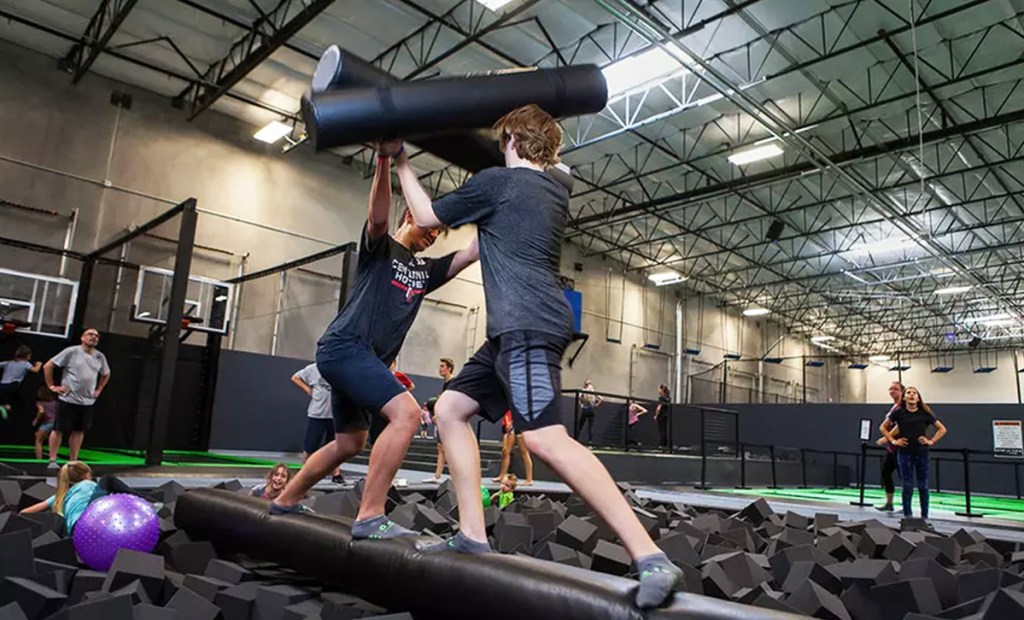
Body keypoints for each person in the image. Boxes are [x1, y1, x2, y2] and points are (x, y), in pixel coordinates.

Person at [395, 104, 681, 608]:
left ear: (507, 140)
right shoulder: (552, 189)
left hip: (528, 326)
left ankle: (650, 554)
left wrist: (399, 159)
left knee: (545, 438)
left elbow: (423, 216)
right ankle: (472, 533)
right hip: (512, 332)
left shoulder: (500, 184)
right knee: (449, 409)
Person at [268, 141, 478, 542]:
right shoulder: (381, 249)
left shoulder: (425, 271)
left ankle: (287, 499)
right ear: (408, 216)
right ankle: (370, 514)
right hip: (345, 348)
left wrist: (498, 211)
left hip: (363, 362)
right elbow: (377, 217)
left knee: (350, 441)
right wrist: (384, 160)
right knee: (408, 414)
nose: (433, 235)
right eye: (427, 225)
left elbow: (469, 254)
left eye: (437, 232)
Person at [44, 328, 110, 467]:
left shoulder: (100, 356)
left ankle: (73, 461)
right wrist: (52, 386)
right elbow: (48, 366)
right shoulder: (72, 351)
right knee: (58, 429)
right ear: (82, 337)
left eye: (97, 336)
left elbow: (106, 373)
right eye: (90, 334)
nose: (94, 337)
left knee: (79, 430)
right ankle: (52, 459)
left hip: (87, 401)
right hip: (68, 398)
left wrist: (99, 389)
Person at [20, 461, 144, 535]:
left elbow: (24, 512)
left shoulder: (61, 495)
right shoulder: (87, 484)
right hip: (87, 523)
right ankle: (147, 502)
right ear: (86, 475)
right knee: (108, 480)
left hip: (76, 533)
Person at [880, 387, 948, 519]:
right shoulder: (899, 412)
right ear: (904, 397)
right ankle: (908, 516)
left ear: (918, 397)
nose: (911, 395)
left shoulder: (925, 413)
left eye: (914, 393)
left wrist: (931, 440)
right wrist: (893, 441)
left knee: (923, 485)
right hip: (904, 453)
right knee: (907, 485)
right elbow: (883, 427)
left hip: (921, 452)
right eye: (909, 393)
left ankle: (924, 516)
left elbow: (942, 429)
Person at [291, 363, 343, 484]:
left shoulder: (340, 367)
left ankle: (336, 474)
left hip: (335, 415)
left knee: (336, 447)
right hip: (317, 414)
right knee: (310, 446)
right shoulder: (313, 369)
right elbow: (295, 377)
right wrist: (308, 389)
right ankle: (303, 474)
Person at [874, 381, 903, 512]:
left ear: (902, 391)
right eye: (890, 389)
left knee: (904, 476)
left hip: (901, 447)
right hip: (891, 448)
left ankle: (906, 505)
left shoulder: (903, 407)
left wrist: (887, 438)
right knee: (886, 473)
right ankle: (889, 503)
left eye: (895, 389)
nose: (892, 391)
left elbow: (900, 426)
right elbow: (885, 425)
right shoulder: (894, 407)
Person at [491, 410, 534, 486]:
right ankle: (502, 476)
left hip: (520, 425)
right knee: (505, 451)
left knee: (524, 452)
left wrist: (513, 422)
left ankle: (529, 479)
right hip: (509, 424)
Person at [0, 345, 42, 420]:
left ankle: (5, 407)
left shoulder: (9, 363)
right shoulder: (25, 363)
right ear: (26, 356)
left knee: (11, 400)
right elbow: (35, 370)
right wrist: (39, 364)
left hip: (2, 385)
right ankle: (6, 407)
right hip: (13, 385)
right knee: (18, 403)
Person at [430, 358, 456, 482]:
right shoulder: (446, 383)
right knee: (441, 447)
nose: (440, 369)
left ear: (449, 368)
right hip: (444, 419)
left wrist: (440, 415)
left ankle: (455, 476)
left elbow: (450, 402)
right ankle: (437, 476)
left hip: (450, 420)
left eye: (442, 366)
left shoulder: (453, 382)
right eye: (439, 366)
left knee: (449, 448)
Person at [32, 386, 58, 460]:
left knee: (38, 441)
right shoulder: (56, 403)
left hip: (47, 423)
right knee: (53, 441)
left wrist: (36, 420)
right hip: (55, 423)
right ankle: (53, 457)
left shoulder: (40, 403)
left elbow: (41, 411)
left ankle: (39, 459)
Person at [575, 379, 603, 443]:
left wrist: (581, 404)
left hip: (586, 409)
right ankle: (590, 442)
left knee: (580, 425)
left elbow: (579, 397)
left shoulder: (584, 390)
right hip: (592, 409)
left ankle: (576, 439)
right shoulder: (592, 390)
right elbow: (601, 398)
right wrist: (596, 405)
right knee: (591, 427)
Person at [654, 385, 671, 450]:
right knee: (664, 430)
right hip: (666, 415)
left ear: (662, 390)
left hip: (661, 416)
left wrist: (656, 415)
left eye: (659, 389)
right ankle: (665, 445)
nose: (658, 390)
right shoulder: (668, 398)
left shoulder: (662, 398)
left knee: (661, 430)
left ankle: (662, 445)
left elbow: (659, 408)